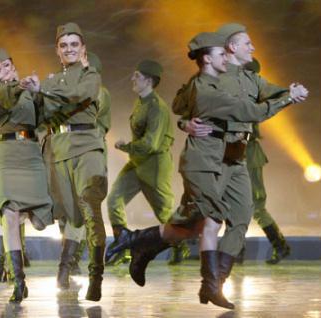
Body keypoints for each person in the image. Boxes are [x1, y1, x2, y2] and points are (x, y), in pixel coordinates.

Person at [105, 31, 308, 309]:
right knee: (206, 221)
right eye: (244, 44)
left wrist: (290, 92)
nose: (251, 47)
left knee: (227, 219)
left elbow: (266, 92)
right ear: (226, 50)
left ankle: (203, 278)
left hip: (236, 156)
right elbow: (189, 106)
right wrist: (185, 123)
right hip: (209, 157)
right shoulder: (205, 84)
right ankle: (200, 278)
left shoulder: (247, 76)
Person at [22, 22, 106, 302]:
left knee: (89, 207)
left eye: (74, 44)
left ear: (83, 48)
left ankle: (95, 275)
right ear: (57, 51)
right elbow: (43, 115)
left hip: (86, 146)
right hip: (58, 149)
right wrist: (35, 93)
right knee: (72, 215)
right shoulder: (52, 81)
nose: (69, 49)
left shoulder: (90, 75)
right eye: (63, 45)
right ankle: (66, 266)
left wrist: (43, 91)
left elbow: (80, 95)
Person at [0, 49, 53, 303]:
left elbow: (42, 118)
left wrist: (38, 93)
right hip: (6, 156)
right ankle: (18, 280)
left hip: (30, 154)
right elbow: (2, 98)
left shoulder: (22, 89)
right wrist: (19, 86)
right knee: (9, 214)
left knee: (40, 217)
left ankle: (16, 257)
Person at [104, 59, 174, 266]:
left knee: (164, 211)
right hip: (137, 162)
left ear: (149, 80)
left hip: (154, 165)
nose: (133, 78)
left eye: (137, 76)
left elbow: (151, 144)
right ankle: (123, 245)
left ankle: (181, 245)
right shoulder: (141, 101)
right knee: (114, 199)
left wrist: (126, 147)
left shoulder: (157, 107)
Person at [56, 51, 111, 278]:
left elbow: (101, 125)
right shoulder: (65, 89)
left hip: (86, 150)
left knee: (82, 206)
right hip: (62, 149)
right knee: (66, 208)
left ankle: (68, 265)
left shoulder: (99, 92)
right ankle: (70, 261)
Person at [241, 58, 290, 264]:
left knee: (255, 206)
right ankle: (236, 252)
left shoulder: (252, 93)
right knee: (235, 205)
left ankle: (280, 246)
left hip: (248, 155)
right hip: (235, 154)